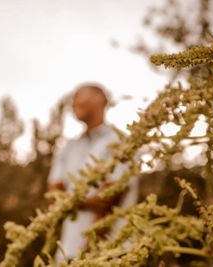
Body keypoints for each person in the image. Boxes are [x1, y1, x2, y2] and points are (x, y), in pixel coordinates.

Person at [48, 83, 138, 262]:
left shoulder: (121, 142)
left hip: (110, 254)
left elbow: (109, 199)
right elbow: (54, 195)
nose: (73, 103)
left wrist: (89, 251)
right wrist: (90, 201)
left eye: (78, 96)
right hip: (68, 252)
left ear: (100, 98)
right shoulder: (67, 148)